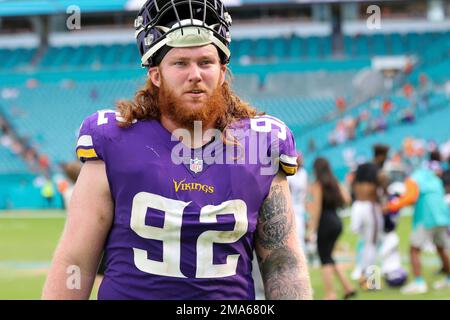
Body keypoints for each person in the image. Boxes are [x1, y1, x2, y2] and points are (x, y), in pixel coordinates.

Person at [43, 0, 312, 300]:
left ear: (222, 72)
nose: (195, 74)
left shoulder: (261, 146)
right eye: (181, 63)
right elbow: (76, 261)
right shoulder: (115, 141)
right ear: (156, 75)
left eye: (206, 62)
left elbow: (282, 266)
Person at [384, 150, 450, 294]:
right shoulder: (434, 178)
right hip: (442, 217)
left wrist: (391, 206)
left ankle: (419, 283)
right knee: (440, 247)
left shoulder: (414, 178)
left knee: (414, 249)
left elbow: (410, 197)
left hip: (427, 218)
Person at [306, 157, 355, 300]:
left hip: (325, 223)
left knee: (325, 259)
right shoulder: (335, 182)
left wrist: (311, 230)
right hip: (337, 221)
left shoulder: (317, 185)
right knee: (329, 256)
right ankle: (347, 287)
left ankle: (330, 294)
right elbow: (347, 200)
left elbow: (316, 209)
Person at [350, 144, 389, 287]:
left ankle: (362, 274)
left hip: (357, 207)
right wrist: (384, 195)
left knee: (365, 244)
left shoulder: (362, 167)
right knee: (372, 244)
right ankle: (372, 281)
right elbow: (383, 181)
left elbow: (352, 185)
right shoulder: (378, 169)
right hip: (370, 206)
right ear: (382, 156)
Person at [288, 153, 308, 250]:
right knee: (297, 233)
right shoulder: (290, 175)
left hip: (300, 207)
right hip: (292, 207)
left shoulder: (303, 173)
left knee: (301, 233)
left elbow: (305, 192)